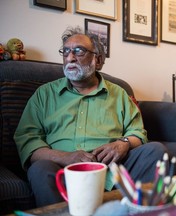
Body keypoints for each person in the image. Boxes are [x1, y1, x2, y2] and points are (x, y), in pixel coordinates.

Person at [14, 26, 168, 207]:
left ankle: (138, 210)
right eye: (66, 51)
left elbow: (137, 133)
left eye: (79, 51)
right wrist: (65, 157)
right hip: (62, 171)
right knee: (39, 169)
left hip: (113, 168)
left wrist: (122, 144)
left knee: (155, 150)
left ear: (98, 60)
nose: (70, 57)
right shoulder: (44, 94)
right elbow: (28, 141)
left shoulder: (118, 94)